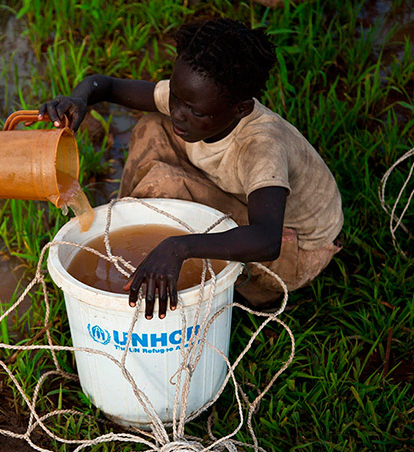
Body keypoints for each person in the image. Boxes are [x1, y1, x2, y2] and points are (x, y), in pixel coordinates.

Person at [38, 17, 343, 319]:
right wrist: (79, 97)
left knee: (164, 186)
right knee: (154, 126)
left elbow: (266, 241)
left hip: (294, 249)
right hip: (245, 204)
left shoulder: (262, 145)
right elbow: (104, 85)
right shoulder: (195, 100)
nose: (179, 114)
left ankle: (246, 293)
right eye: (176, 98)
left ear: (241, 109)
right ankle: (133, 239)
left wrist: (178, 247)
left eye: (195, 111)